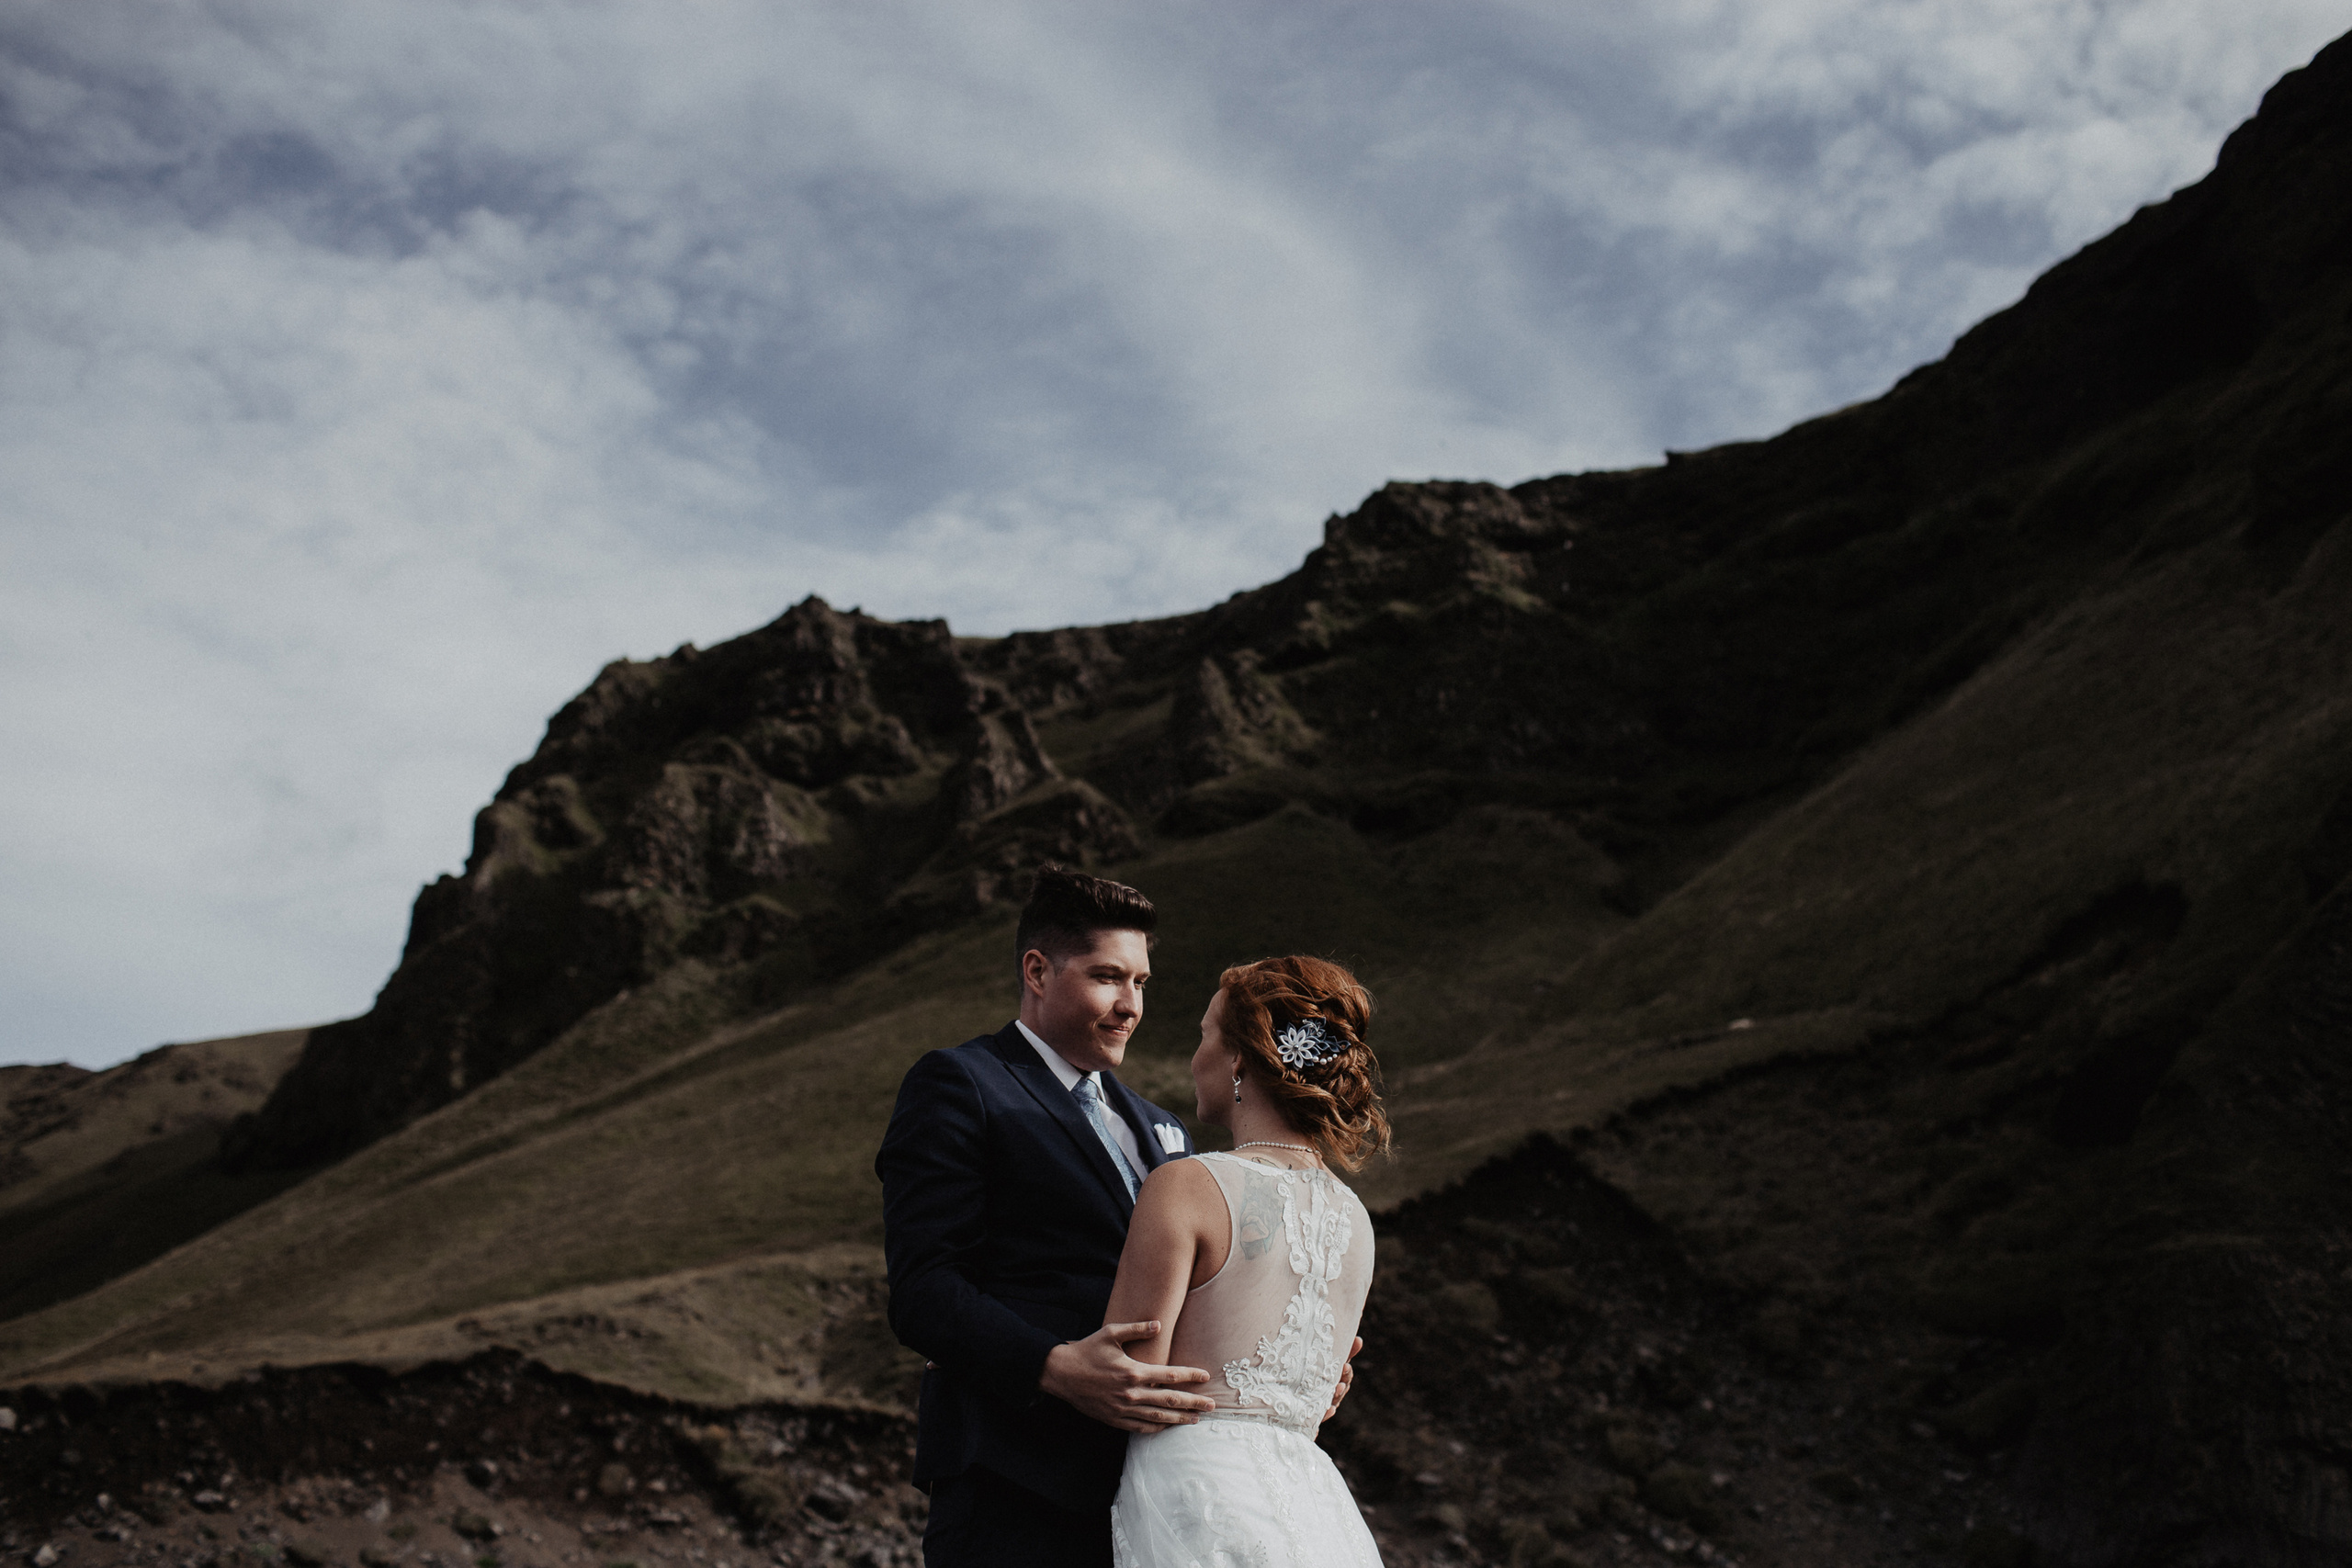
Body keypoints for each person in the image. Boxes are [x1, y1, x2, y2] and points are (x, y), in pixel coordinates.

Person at [876, 866, 1216, 1568]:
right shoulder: (960, 1083)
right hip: (1013, 1485)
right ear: (1037, 969)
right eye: (1108, 977)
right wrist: (1054, 1366)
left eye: (1141, 982)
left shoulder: (1161, 1127)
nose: (1131, 1005)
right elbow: (925, 1289)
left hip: (1150, 1498)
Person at [1104, 954, 1391, 1568]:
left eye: (1204, 1034)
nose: (1195, 1057)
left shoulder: (1187, 1185)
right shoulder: (1356, 1221)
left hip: (1198, 1495)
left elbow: (1128, 1381)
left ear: (1238, 1058)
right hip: (1313, 1506)